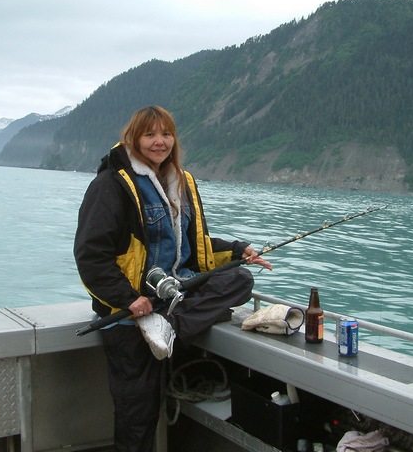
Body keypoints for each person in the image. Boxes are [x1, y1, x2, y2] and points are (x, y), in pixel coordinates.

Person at [74, 105, 271, 452]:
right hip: (132, 313)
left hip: (172, 303)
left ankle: (170, 326)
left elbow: (194, 246)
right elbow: (91, 254)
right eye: (150, 134)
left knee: (239, 280)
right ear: (133, 138)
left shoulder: (183, 183)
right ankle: (165, 325)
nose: (159, 142)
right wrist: (128, 299)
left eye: (166, 134)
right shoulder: (111, 184)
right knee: (138, 416)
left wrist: (239, 250)